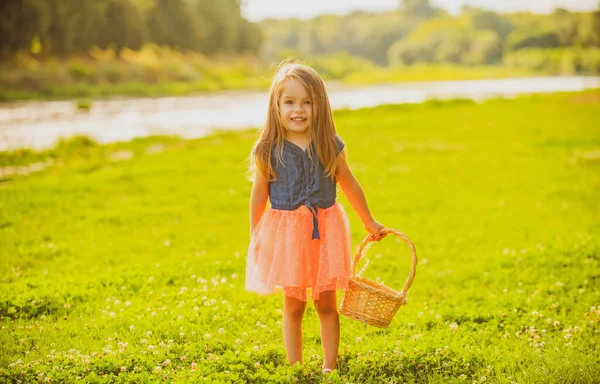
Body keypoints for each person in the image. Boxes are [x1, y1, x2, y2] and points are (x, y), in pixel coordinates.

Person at [245, 59, 385, 374]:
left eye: (307, 102)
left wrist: (369, 221)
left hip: (326, 232)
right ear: (276, 106)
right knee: (293, 304)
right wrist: (257, 236)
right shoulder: (269, 149)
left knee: (326, 302)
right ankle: (295, 366)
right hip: (287, 235)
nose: (299, 110)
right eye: (290, 102)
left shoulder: (328, 144)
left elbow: (349, 182)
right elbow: (259, 195)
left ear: (319, 106)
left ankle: (328, 367)